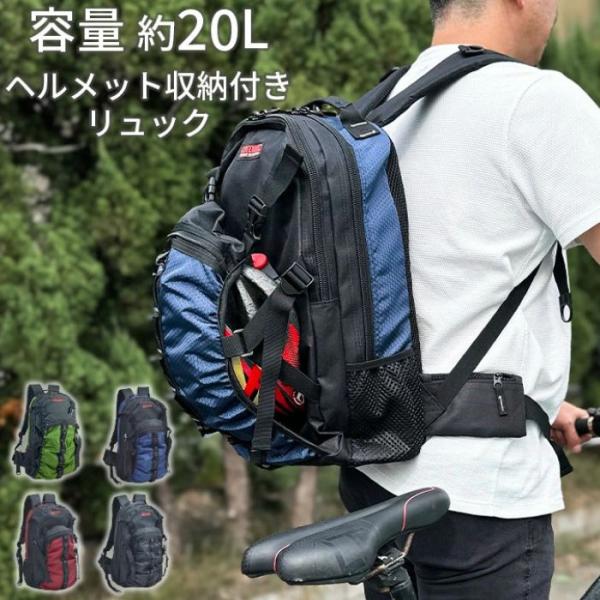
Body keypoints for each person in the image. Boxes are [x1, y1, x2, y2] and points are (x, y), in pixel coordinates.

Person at [339, 1, 600, 598]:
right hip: (479, 496)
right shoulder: (533, 99)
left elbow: (432, 290)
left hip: (379, 476)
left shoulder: (385, 106)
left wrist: (532, 402)